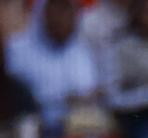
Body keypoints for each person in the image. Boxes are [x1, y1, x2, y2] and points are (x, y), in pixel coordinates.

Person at [7, 0, 104, 129]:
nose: (62, 18)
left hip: (79, 130)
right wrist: (64, 100)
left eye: (67, 11)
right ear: (42, 14)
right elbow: (17, 96)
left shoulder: (82, 50)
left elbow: (92, 90)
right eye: (57, 11)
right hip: (35, 130)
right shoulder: (17, 50)